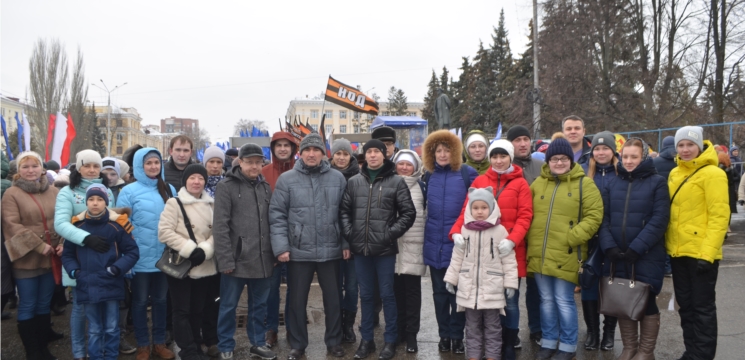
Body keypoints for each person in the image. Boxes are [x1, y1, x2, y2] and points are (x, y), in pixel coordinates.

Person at [449, 139, 532, 360]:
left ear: (510, 157)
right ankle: (486, 348)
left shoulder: (520, 183)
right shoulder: (480, 180)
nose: (498, 160)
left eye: (502, 156)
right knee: (484, 305)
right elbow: (466, 213)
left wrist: (512, 240)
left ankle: (508, 344)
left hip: (509, 251)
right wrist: (456, 232)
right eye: (494, 156)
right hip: (480, 251)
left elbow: (525, 216)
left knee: (510, 302)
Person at [269, 134, 348, 360]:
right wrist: (281, 247)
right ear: (300, 153)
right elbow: (277, 215)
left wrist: (345, 242)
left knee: (333, 300)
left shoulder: (337, 178)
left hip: (331, 249)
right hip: (298, 251)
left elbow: (345, 214)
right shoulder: (287, 179)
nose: (311, 154)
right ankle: (297, 344)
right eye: (307, 150)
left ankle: (334, 341)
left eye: (316, 149)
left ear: (324, 154)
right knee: (296, 301)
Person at [527, 138, 603, 360]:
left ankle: (568, 346)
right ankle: (549, 341)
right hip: (540, 253)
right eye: (554, 159)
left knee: (564, 300)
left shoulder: (584, 184)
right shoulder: (538, 184)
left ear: (570, 160)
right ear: (548, 161)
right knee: (546, 301)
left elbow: (594, 215)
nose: (559, 163)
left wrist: (573, 237)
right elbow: (527, 213)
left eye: (563, 159)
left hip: (567, 253)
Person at [340, 139, 416, 360]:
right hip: (360, 250)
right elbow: (344, 211)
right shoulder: (354, 182)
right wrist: (351, 234)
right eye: (369, 152)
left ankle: (390, 341)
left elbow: (408, 213)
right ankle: (367, 341)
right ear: (364, 156)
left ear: (385, 155)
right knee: (366, 295)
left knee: (387, 295)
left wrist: (388, 234)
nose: (373, 155)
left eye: (377, 151)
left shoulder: (396, 182)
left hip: (384, 251)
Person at [598, 138, 670, 360]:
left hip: (646, 254)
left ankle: (646, 351)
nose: (629, 161)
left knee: (646, 299)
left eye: (634, 157)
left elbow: (659, 219)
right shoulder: (612, 182)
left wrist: (637, 248)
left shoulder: (657, 182)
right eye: (625, 156)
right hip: (617, 254)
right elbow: (604, 218)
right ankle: (629, 347)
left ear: (644, 157)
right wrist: (608, 246)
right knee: (623, 299)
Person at [667, 126, 729, 360]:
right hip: (678, 252)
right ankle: (691, 351)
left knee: (702, 308)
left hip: (702, 254)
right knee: (686, 307)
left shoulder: (713, 174)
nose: (685, 150)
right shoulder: (675, 174)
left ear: (700, 145)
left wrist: (707, 254)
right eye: (681, 145)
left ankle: (702, 355)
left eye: (690, 145)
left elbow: (719, 216)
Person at [62, 184, 140, 360]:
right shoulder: (77, 225)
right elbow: (67, 254)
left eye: (99, 199)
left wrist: (116, 268)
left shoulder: (117, 225)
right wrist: (75, 272)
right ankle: (96, 356)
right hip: (87, 284)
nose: (95, 203)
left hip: (111, 282)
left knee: (112, 326)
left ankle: (111, 356)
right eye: (91, 199)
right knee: (95, 328)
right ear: (86, 201)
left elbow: (132, 251)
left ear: (106, 202)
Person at [213, 144, 276, 360]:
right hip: (236, 260)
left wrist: (274, 253)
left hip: (263, 258)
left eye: (258, 162)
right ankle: (225, 345)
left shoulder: (265, 187)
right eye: (250, 162)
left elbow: (271, 222)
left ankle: (257, 343)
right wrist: (225, 259)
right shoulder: (226, 187)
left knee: (259, 306)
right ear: (240, 162)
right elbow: (220, 226)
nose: (254, 166)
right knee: (228, 307)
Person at [55, 150, 120, 359]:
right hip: (80, 257)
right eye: (87, 165)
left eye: (95, 166)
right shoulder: (67, 192)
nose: (92, 170)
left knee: (103, 311)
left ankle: (100, 351)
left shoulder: (106, 191)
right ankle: (79, 352)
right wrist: (85, 238)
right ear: (78, 167)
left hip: (104, 259)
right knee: (80, 309)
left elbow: (114, 221)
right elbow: (60, 224)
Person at [444, 187, 519, 360]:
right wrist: (451, 279)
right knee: (472, 327)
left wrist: (510, 283)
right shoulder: (464, 230)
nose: (479, 212)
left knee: (493, 327)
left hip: (492, 289)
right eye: (475, 208)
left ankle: (492, 356)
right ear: (470, 209)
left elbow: (509, 260)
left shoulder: (500, 231)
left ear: (492, 208)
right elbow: (457, 258)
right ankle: (474, 356)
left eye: (484, 208)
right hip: (468, 288)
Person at [117, 148, 177, 360]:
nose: (153, 167)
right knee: (140, 302)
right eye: (148, 163)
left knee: (161, 301)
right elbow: (122, 226)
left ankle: (159, 343)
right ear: (139, 166)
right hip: (139, 258)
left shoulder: (168, 189)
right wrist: (128, 258)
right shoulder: (128, 192)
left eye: (156, 162)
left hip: (163, 258)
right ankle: (143, 344)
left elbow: (176, 220)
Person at [423, 129, 478, 354]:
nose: (443, 154)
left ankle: (457, 336)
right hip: (434, 244)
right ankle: (443, 335)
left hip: (459, 245)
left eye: (447, 150)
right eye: (438, 150)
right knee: (439, 294)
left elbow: (477, 208)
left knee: (458, 293)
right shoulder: (428, 175)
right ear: (432, 153)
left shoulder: (467, 173)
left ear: (454, 151)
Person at [2, 151, 61, 360]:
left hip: (51, 255)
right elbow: (11, 225)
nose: (30, 170)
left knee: (44, 302)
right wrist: (37, 245)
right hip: (26, 258)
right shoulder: (12, 194)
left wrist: (62, 242)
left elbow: (62, 219)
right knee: (28, 303)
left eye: (34, 166)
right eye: (25, 167)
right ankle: (33, 350)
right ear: (18, 171)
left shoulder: (53, 191)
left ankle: (44, 340)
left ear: (41, 168)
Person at [159, 164, 220, 360]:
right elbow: (164, 232)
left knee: (198, 309)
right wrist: (189, 249)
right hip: (182, 264)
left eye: (200, 178)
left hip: (205, 263)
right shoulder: (174, 203)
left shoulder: (212, 204)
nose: (196, 182)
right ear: (185, 180)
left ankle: (196, 345)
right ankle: (188, 350)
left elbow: (218, 231)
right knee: (181, 310)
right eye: (192, 178)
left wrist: (206, 249)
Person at [579, 131, 619, 351]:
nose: (601, 152)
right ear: (592, 151)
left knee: (611, 285)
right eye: (597, 149)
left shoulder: (621, 172)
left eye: (605, 148)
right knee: (589, 285)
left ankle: (609, 332)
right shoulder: (584, 171)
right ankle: (593, 332)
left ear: (613, 151)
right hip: (590, 238)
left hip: (614, 238)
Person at [506, 125, 544, 345]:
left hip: (536, 237)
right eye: (517, 139)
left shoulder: (541, 166)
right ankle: (511, 331)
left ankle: (536, 329)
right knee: (511, 288)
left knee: (535, 288)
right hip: (511, 238)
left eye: (525, 139)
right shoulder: (504, 166)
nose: (522, 143)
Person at [261, 131, 298, 348]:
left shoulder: (300, 171)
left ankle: (293, 329)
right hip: (271, 241)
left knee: (295, 288)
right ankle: (271, 329)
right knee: (270, 289)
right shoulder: (264, 173)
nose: (283, 149)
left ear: (293, 149)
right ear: (273, 148)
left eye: (287, 145)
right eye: (279, 145)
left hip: (297, 241)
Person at [391, 149, 427, 352]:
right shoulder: (388, 183)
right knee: (396, 292)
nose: (404, 167)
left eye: (408, 164)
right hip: (393, 246)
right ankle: (398, 331)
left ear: (415, 166)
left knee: (413, 293)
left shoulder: (421, 187)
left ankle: (412, 335)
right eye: (401, 163)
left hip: (414, 245)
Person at [329, 138, 360, 344]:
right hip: (330, 241)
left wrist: (348, 241)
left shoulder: (359, 177)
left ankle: (348, 324)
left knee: (351, 286)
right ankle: (335, 323)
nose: (341, 158)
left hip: (353, 241)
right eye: (338, 153)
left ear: (351, 156)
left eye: (345, 154)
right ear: (332, 155)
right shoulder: (325, 176)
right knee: (333, 287)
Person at [718, 153, 739, 217]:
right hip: (729, 188)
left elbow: (738, 176)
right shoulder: (726, 168)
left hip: (727, 188)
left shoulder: (728, 167)